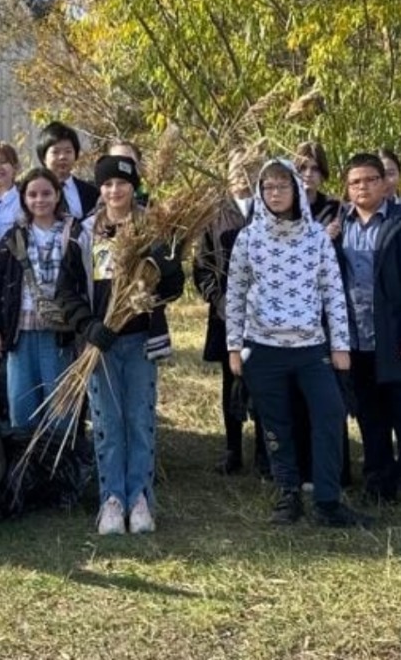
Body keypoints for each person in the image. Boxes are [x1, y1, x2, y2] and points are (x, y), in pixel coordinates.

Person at [225, 159, 372, 529]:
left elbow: (333, 293)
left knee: (329, 414)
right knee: (276, 424)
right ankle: (288, 494)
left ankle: (327, 500)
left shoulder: (316, 237)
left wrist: (340, 346)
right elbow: (236, 292)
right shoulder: (249, 238)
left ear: (296, 190)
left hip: (310, 347)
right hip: (263, 347)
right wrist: (233, 348)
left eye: (282, 186)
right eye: (268, 187)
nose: (275, 194)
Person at [57, 155, 184, 535]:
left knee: (139, 420)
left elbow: (172, 289)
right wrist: (89, 325)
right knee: (108, 423)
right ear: (100, 188)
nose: (115, 191)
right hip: (102, 345)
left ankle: (140, 498)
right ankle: (111, 499)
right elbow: (66, 290)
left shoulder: (152, 229)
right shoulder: (84, 232)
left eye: (122, 183)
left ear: (134, 187)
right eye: (108, 184)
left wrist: (168, 266)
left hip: (140, 340)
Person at [333, 153, 401, 524]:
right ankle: (379, 483)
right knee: (369, 416)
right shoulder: (337, 226)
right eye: (355, 182)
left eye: (370, 180)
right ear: (346, 189)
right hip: (355, 340)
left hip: (396, 338)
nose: (363, 187)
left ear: (384, 183)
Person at [0, 168, 76, 428]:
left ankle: (59, 463)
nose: (40, 200)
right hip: (20, 330)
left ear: (58, 195)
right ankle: (25, 463)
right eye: (32, 194)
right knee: (21, 405)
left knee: (60, 406)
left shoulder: (73, 233)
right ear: (24, 198)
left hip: (59, 332)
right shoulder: (14, 237)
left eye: (47, 193)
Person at [194, 151, 263, 475]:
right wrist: (220, 302)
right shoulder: (215, 213)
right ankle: (232, 449)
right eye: (237, 170)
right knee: (230, 381)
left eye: (249, 170)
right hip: (226, 315)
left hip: (265, 315)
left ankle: (266, 451)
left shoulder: (270, 209)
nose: (242, 176)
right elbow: (202, 267)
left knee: (265, 382)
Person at [37, 121, 99, 220]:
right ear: (43, 157)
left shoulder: (91, 193)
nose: (62, 157)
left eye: (68, 151)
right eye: (55, 152)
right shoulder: (33, 192)